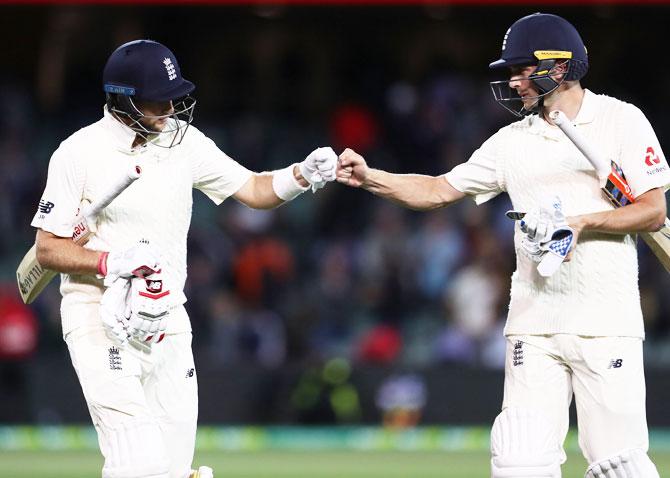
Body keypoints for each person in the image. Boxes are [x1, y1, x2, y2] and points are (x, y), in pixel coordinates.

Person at [337, 12, 669, 478]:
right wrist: (372, 177)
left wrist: (581, 222)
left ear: (557, 67)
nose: (513, 82)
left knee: (621, 468)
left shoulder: (620, 120)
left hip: (607, 324)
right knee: (519, 463)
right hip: (533, 325)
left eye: (520, 70)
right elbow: (437, 190)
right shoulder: (511, 141)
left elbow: (653, 211)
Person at [31, 39, 337, 478]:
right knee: (136, 459)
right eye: (160, 100)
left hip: (168, 315)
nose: (172, 109)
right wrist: (108, 261)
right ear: (125, 98)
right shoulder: (78, 153)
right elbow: (47, 248)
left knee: (174, 467)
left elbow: (252, 189)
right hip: (99, 318)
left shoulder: (184, 142)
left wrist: (301, 175)